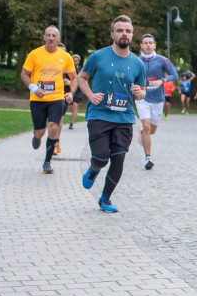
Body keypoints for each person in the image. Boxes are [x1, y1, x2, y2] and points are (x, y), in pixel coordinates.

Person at [76, 15, 146, 212]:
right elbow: (81, 78)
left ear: (132, 35)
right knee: (100, 157)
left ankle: (105, 199)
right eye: (120, 30)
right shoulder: (98, 56)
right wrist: (90, 95)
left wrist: (140, 93)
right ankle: (94, 169)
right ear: (112, 34)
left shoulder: (138, 63)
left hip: (124, 118)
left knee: (119, 158)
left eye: (128, 31)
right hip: (99, 115)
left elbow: (142, 92)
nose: (124, 34)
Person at [20, 26, 76, 174]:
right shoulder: (34, 54)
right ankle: (36, 137)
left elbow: (75, 78)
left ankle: (47, 162)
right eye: (48, 35)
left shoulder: (65, 57)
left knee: (53, 127)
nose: (51, 38)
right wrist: (33, 88)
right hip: (37, 98)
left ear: (58, 39)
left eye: (54, 36)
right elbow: (24, 74)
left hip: (57, 98)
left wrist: (71, 92)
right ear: (44, 37)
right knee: (41, 131)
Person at [135, 34, 177, 170]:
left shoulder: (162, 60)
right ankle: (148, 158)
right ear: (141, 45)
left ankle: (143, 132)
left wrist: (162, 80)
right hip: (142, 98)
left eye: (150, 43)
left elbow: (174, 74)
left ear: (154, 45)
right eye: (145, 43)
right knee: (147, 126)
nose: (148, 45)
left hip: (157, 99)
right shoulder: (136, 61)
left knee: (152, 130)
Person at [66, 53, 84, 129]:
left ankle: (71, 123)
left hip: (78, 90)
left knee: (75, 105)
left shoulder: (81, 69)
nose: (75, 61)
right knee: (70, 107)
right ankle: (73, 115)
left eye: (77, 60)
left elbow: (83, 79)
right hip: (69, 89)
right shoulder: (68, 69)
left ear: (79, 61)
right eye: (74, 60)